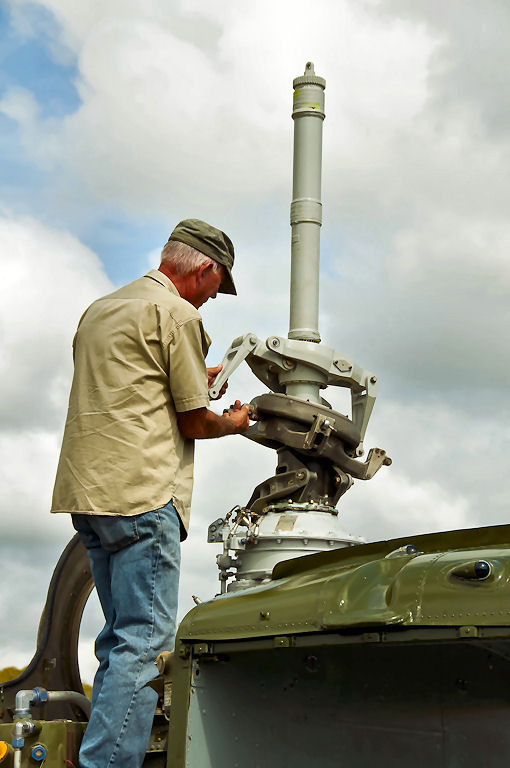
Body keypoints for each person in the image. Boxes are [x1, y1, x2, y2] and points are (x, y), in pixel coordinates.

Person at [51, 218, 250, 768]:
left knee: (118, 640)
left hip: (89, 493)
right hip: (143, 496)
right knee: (144, 646)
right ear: (206, 269)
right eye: (217, 285)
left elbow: (130, 384)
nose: (213, 297)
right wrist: (235, 421)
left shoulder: (103, 309)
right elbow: (193, 422)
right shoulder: (179, 314)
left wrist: (195, 374)